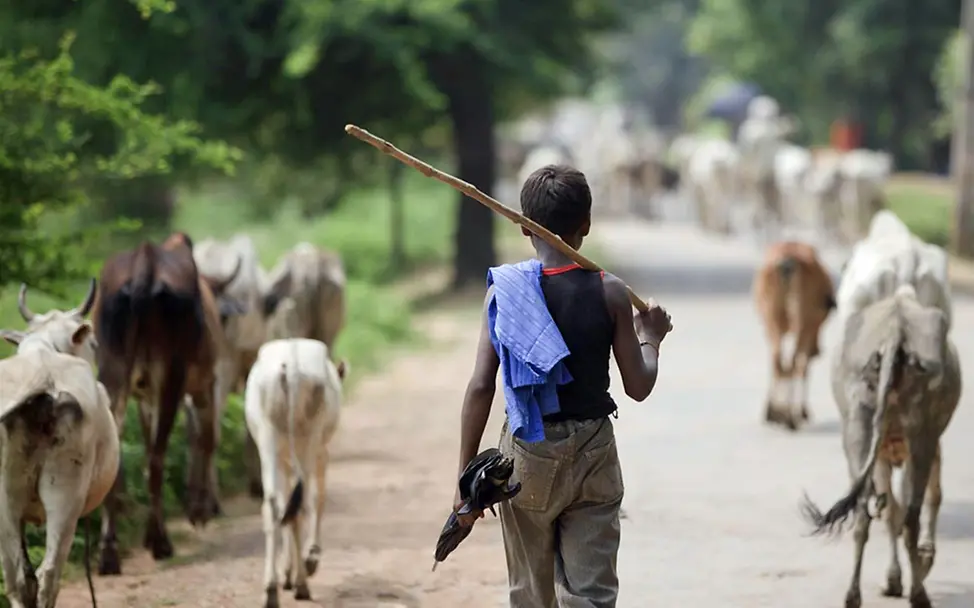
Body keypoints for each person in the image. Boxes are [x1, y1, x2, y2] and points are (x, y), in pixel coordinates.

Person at [453, 164, 672, 607]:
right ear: (585, 227)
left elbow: (480, 387)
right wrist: (651, 337)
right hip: (594, 457)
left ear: (523, 226)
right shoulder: (609, 292)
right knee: (590, 594)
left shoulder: (505, 293)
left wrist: (464, 482)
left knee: (531, 595)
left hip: (526, 460)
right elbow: (639, 385)